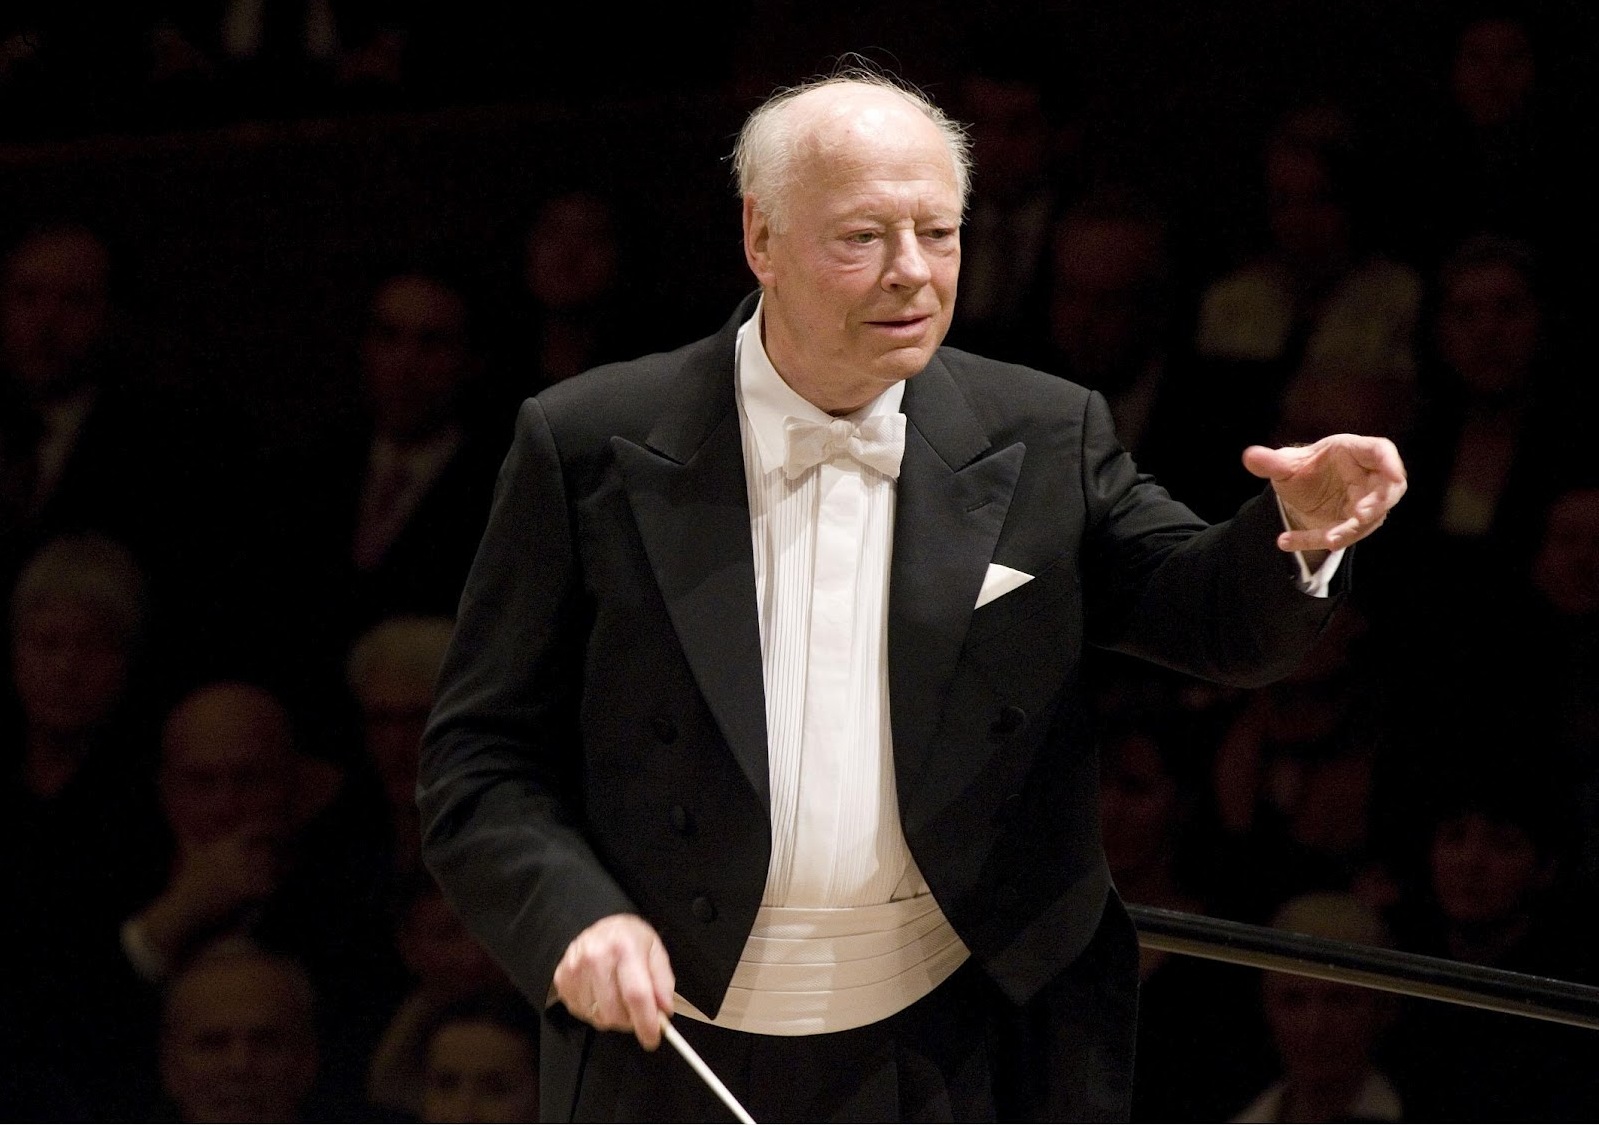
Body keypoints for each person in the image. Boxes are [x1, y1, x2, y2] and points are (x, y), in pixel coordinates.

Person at [419, 71, 1406, 1121]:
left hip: (957, 1046)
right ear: (761, 238)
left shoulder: (1043, 430)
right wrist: (574, 920)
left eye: (939, 233)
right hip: (673, 1051)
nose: (913, 276)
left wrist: (1293, 537)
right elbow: (480, 758)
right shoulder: (583, 443)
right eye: (862, 239)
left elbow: (1206, 617)